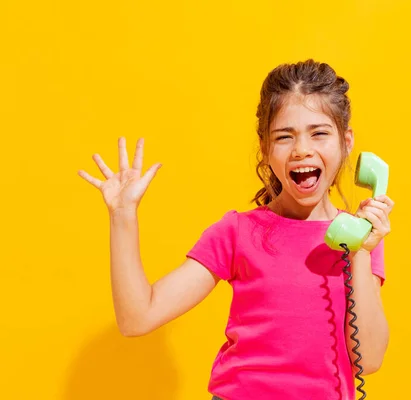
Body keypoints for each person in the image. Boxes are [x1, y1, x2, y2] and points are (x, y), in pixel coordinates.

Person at [78, 59, 394, 400]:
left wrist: (361, 250)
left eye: (319, 133)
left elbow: (371, 358)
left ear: (346, 142)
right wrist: (123, 215)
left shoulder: (362, 236)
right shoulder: (237, 232)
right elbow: (137, 319)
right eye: (284, 137)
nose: (302, 149)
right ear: (265, 148)